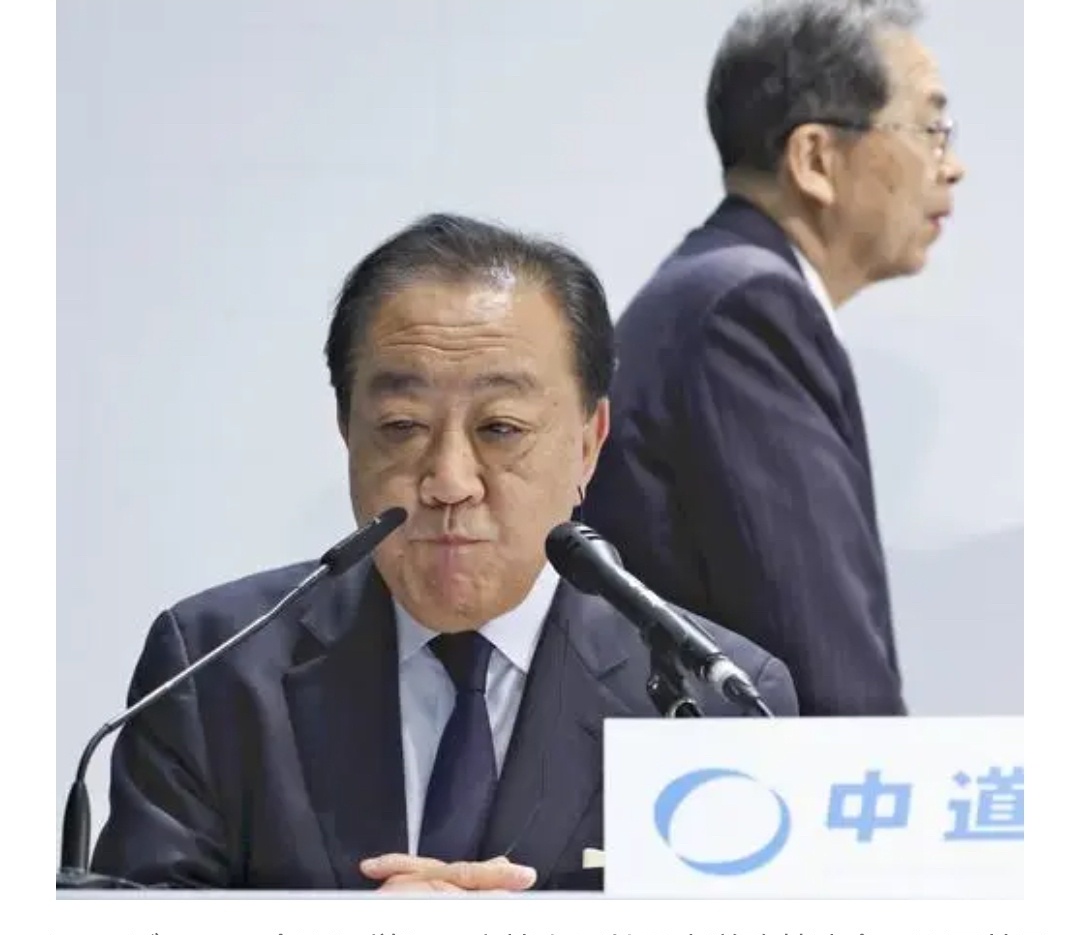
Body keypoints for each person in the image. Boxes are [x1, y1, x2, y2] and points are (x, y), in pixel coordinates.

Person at [91, 213, 798, 893]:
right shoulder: (214, 672)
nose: (450, 482)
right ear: (347, 430)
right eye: (402, 426)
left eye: (501, 428)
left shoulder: (718, 696)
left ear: (589, 442)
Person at [583, 0, 965, 717]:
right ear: (816, 159)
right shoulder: (746, 312)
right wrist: (880, 784)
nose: (955, 167)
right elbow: (824, 673)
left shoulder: (717, 289)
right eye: (931, 130)